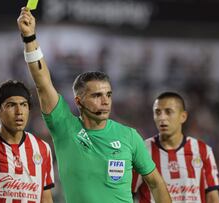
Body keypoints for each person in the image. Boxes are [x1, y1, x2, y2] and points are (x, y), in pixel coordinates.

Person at [17, 7, 171, 203]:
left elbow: (156, 182)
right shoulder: (65, 127)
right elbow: (42, 82)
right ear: (79, 101)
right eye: (97, 95)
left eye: (108, 94)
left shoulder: (129, 136)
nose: (105, 100)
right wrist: (29, 38)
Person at [132, 92, 219, 203]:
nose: (162, 118)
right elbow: (127, 193)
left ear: (183, 116)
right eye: (158, 112)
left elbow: (213, 197)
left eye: (168, 112)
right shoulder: (142, 150)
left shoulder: (203, 151)